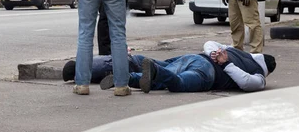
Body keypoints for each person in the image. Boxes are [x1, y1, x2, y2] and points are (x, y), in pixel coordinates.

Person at [99, 41, 276, 94]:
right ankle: (153, 70)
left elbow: (209, 43)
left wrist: (214, 53)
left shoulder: (235, 51)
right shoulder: (259, 74)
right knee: (179, 83)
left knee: (166, 71)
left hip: (194, 58)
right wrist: (224, 62)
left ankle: (125, 75)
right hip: (206, 72)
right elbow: (247, 83)